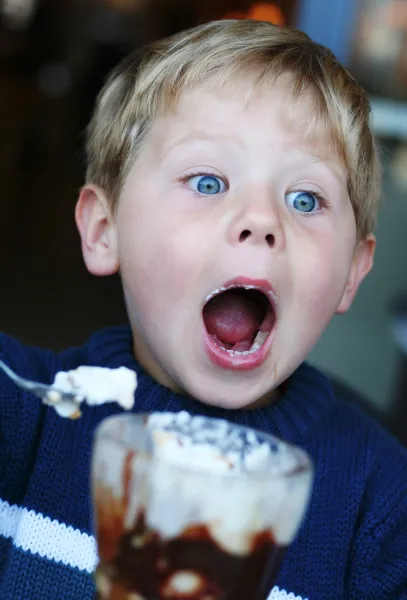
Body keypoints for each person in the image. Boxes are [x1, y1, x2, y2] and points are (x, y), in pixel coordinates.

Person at [0, 19, 406, 600]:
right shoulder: (24, 416)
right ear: (104, 229)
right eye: (209, 183)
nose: (262, 220)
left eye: (305, 199)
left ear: (351, 274)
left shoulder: (382, 504)